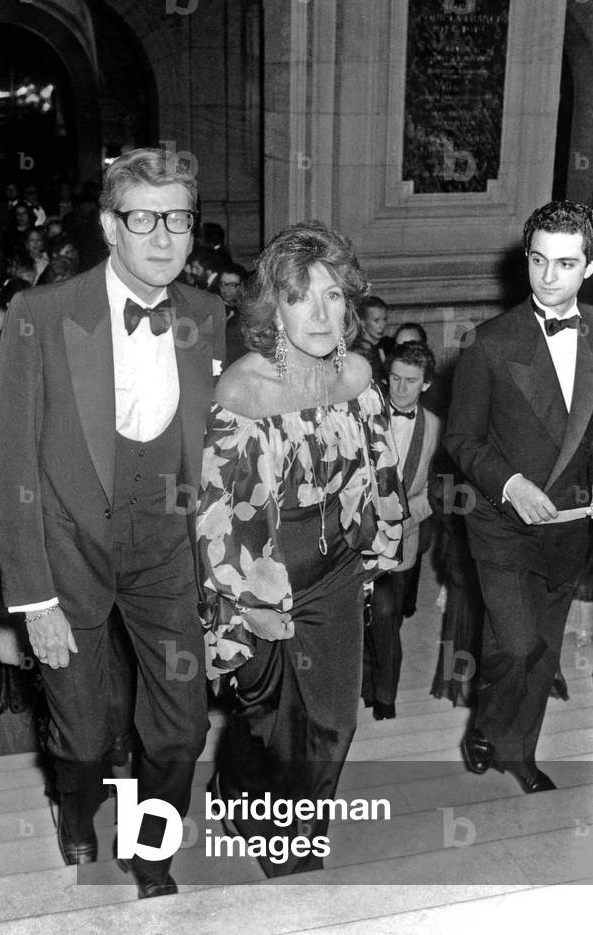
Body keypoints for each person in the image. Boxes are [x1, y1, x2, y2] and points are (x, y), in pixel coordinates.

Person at [0, 148, 225, 899]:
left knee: (182, 724)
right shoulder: (43, 314)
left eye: (179, 218)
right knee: (84, 734)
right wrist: (33, 600)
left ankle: (151, 849)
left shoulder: (207, 314)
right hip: (68, 556)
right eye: (143, 218)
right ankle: (72, 803)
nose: (164, 237)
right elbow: (11, 467)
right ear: (107, 226)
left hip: (167, 555)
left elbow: (220, 447)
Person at [197, 222, 404, 877]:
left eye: (333, 295)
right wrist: (246, 602)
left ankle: (296, 840)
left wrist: (386, 538)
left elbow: (380, 466)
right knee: (267, 721)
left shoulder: (357, 374)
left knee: (332, 723)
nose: (320, 312)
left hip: (337, 568)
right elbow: (217, 516)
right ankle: (237, 793)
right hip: (263, 574)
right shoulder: (244, 390)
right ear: (272, 308)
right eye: (300, 297)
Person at [445, 200, 593, 792]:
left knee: (541, 655)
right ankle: (485, 723)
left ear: (591, 267)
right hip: (501, 523)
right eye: (538, 261)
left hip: (569, 523)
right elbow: (460, 438)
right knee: (516, 642)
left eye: (565, 263)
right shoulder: (487, 342)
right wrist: (510, 484)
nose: (548, 276)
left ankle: (519, 751)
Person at [362, 341, 441, 719]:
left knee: (388, 616)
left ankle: (385, 695)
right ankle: (362, 683)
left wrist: (404, 519)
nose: (401, 388)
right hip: (359, 537)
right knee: (360, 615)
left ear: (426, 384)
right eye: (394, 378)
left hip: (404, 539)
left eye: (411, 381)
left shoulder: (437, 428)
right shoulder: (364, 416)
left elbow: (435, 491)